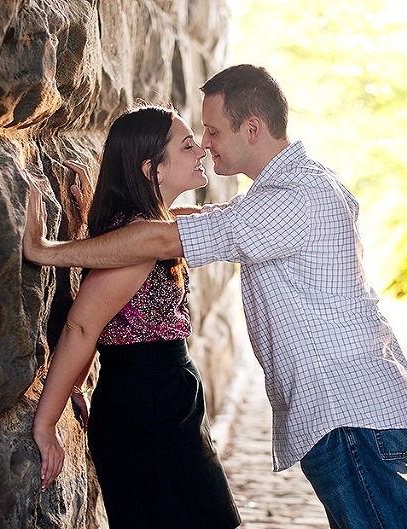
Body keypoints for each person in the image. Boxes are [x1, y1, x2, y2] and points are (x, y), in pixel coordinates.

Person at [24, 65, 407, 529]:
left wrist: (49, 251)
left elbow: (164, 237)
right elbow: (153, 242)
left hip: (350, 418)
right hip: (329, 414)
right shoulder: (285, 190)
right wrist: (106, 216)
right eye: (194, 139)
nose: (206, 144)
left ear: (251, 128)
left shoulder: (291, 197)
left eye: (211, 132)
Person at [30, 104, 242, 529]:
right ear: (152, 170)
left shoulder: (151, 230)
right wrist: (47, 422)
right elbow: (82, 326)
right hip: (145, 408)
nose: (200, 149)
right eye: (186, 145)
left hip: (166, 400)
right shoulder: (139, 238)